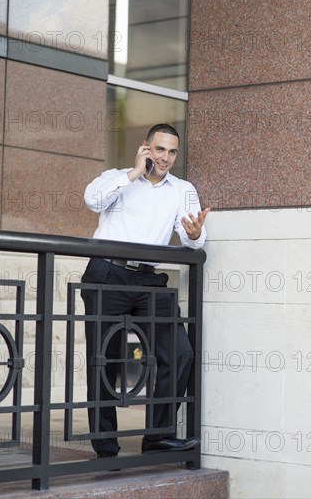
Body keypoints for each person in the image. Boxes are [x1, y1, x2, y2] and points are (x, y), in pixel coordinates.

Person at [81, 123, 209, 457]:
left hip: (149, 279)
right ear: (145, 147)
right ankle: (105, 446)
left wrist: (195, 234)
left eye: (172, 151)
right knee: (103, 359)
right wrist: (134, 174)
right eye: (159, 149)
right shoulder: (117, 176)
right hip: (106, 272)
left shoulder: (183, 189)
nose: (165, 157)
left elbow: (195, 237)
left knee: (180, 353)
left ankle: (157, 437)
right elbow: (92, 201)